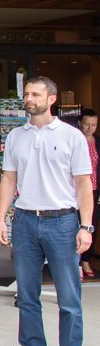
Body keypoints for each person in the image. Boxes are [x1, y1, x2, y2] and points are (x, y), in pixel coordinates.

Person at [0, 76, 90, 346]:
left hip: (63, 222)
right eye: (26, 94)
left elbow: (83, 184)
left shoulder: (72, 136)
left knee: (69, 297)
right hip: (25, 220)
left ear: (52, 99)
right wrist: (1, 219)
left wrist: (86, 226)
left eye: (35, 94)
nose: (29, 99)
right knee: (27, 294)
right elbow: (9, 179)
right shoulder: (16, 137)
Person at [78, 108, 99, 278]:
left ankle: (86, 260)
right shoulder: (74, 140)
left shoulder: (98, 142)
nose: (90, 128)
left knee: (92, 226)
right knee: (74, 226)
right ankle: (76, 263)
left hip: (94, 190)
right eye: (86, 124)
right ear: (80, 123)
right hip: (75, 191)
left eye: (93, 125)